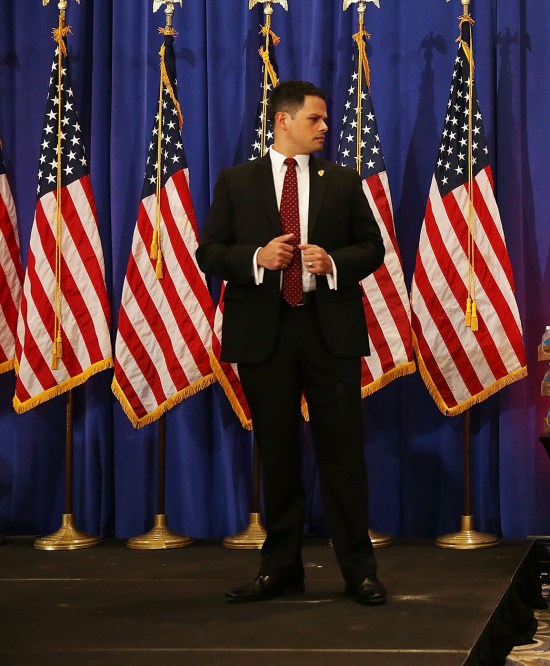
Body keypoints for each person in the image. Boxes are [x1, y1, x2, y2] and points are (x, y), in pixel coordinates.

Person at [197, 80, 386, 606]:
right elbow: (209, 252)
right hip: (265, 333)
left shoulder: (344, 182)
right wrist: (256, 258)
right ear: (282, 120)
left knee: (343, 454)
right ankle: (280, 569)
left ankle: (358, 571)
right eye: (315, 119)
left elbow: (372, 248)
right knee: (277, 454)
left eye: (326, 120)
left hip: (329, 332)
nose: (326, 127)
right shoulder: (238, 181)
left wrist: (334, 264)